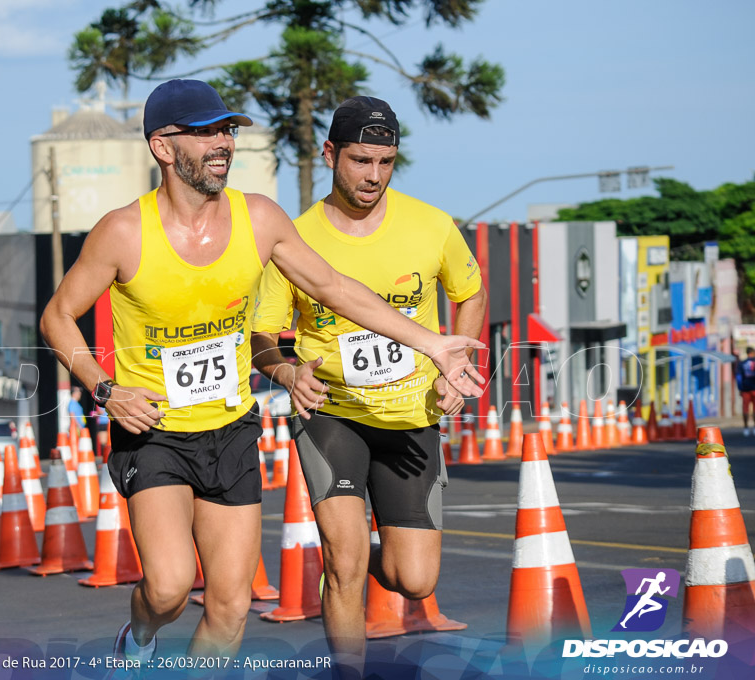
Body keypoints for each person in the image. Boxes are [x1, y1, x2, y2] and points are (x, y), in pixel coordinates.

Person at [39, 79, 485, 666]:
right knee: (170, 587)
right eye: (205, 133)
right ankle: (139, 638)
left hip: (230, 428)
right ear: (163, 148)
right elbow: (57, 317)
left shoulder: (260, 218)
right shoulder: (124, 231)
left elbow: (335, 288)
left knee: (229, 607)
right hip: (154, 429)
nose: (223, 143)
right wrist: (105, 389)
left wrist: (433, 344)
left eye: (227, 130)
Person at [250, 96, 486, 676]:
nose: (372, 176)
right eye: (359, 161)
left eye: (385, 162)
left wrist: (452, 366)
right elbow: (260, 335)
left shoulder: (431, 225)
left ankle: (366, 551)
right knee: (344, 560)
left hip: (411, 414)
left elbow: (470, 292)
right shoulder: (294, 237)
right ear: (330, 154)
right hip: (332, 414)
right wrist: (285, 371)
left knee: (415, 579)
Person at [737, 346, 755, 436]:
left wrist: (740, 388)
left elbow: (739, 378)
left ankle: (746, 428)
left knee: (745, 409)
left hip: (745, 389)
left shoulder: (742, 363)